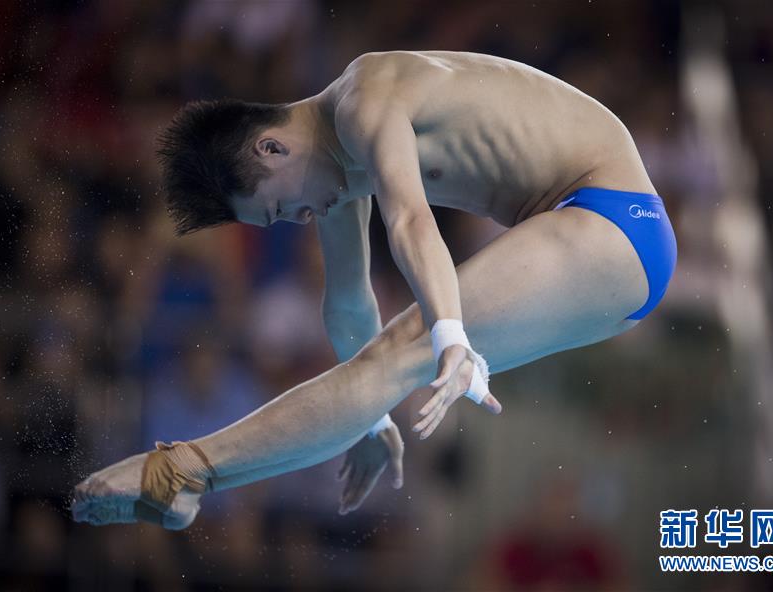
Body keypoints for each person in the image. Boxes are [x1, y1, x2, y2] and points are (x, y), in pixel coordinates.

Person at [72, 51, 676, 529]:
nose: (301, 219)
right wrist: (367, 420)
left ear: (271, 146)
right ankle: (187, 480)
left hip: (615, 220)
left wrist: (450, 336)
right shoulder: (337, 171)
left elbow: (412, 220)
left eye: (281, 207)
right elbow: (348, 307)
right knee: (389, 358)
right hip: (599, 241)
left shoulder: (365, 99)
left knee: (407, 346)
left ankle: (178, 469)